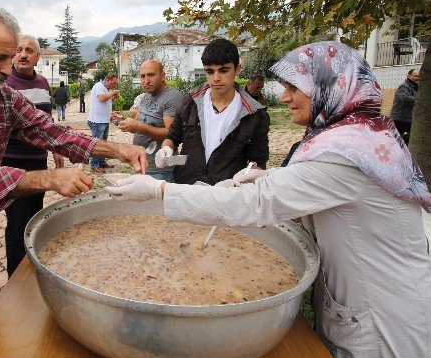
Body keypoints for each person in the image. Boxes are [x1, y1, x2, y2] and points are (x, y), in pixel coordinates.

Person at [107, 41, 431, 357]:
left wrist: (157, 190)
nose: (285, 96)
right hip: (365, 301)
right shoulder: (357, 135)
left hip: (383, 322)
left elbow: (257, 203)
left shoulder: (345, 155)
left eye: (294, 87)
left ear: (330, 87)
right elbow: (309, 186)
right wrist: (266, 177)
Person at [0, 1, 146, 358]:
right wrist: (51, 178)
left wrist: (117, 151)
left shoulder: (1, 95)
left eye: (11, 57)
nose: (7, 69)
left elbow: (47, 130)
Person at [157, 38, 270, 185]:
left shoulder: (255, 115)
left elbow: (256, 161)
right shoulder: (190, 103)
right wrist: (166, 149)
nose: (216, 78)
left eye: (223, 70)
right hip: (186, 189)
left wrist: (247, 174)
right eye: (210, 71)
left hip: (227, 195)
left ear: (237, 69)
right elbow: (172, 137)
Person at [3, 35, 64, 276]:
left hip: (37, 160)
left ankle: (32, 267)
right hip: (12, 162)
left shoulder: (42, 83)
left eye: (29, 50)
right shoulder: (4, 83)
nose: (23, 55)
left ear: (38, 57)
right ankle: (15, 277)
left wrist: (56, 148)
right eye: (18, 50)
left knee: (35, 217)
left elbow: (47, 121)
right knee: (17, 223)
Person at [118, 60, 183, 182]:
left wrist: (138, 127)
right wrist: (128, 123)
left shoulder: (172, 97)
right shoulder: (147, 95)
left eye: (151, 75)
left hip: (160, 171)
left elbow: (172, 134)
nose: (146, 81)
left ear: (162, 76)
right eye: (142, 76)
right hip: (141, 164)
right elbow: (140, 121)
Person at [87, 72, 120, 172]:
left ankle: (101, 162)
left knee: (103, 144)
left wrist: (113, 98)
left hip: (104, 120)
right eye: (114, 83)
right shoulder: (98, 86)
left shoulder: (106, 89)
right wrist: (113, 93)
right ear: (108, 80)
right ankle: (94, 164)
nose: (115, 85)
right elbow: (102, 98)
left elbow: (106, 102)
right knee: (97, 144)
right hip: (97, 121)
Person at [390, 68, 420, 144]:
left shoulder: (417, 86)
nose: (418, 78)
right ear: (409, 76)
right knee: (394, 140)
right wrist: (420, 99)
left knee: (415, 137)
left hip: (410, 119)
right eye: (416, 76)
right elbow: (405, 98)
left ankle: (405, 149)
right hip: (399, 118)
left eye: (420, 76)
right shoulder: (404, 86)